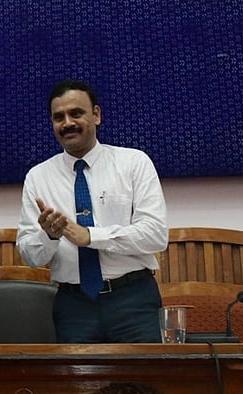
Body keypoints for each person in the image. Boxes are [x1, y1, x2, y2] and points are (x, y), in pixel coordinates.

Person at [16, 79, 169, 343]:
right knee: (77, 384)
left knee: (146, 382)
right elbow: (30, 255)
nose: (67, 123)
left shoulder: (133, 163)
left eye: (76, 113)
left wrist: (90, 236)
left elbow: (155, 235)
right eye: (58, 117)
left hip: (132, 298)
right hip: (74, 305)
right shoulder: (37, 178)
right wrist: (49, 236)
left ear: (96, 115)